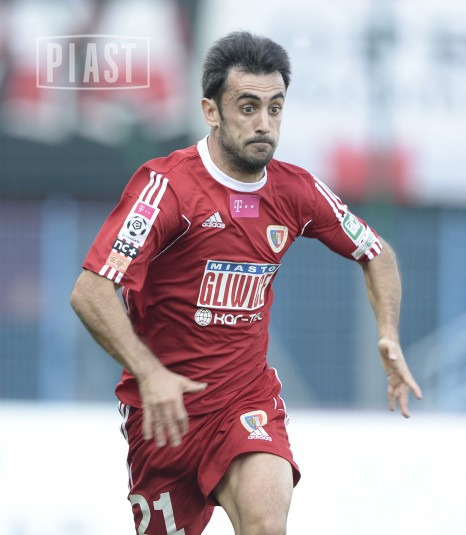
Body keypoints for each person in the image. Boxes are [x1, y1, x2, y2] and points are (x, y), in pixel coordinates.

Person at [70, 31, 422, 535]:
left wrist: (388, 332)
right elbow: (90, 291)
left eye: (275, 108)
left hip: (245, 401)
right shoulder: (167, 189)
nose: (264, 124)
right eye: (248, 107)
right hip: (164, 415)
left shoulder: (296, 190)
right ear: (211, 111)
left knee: (266, 524)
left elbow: (377, 253)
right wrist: (150, 373)